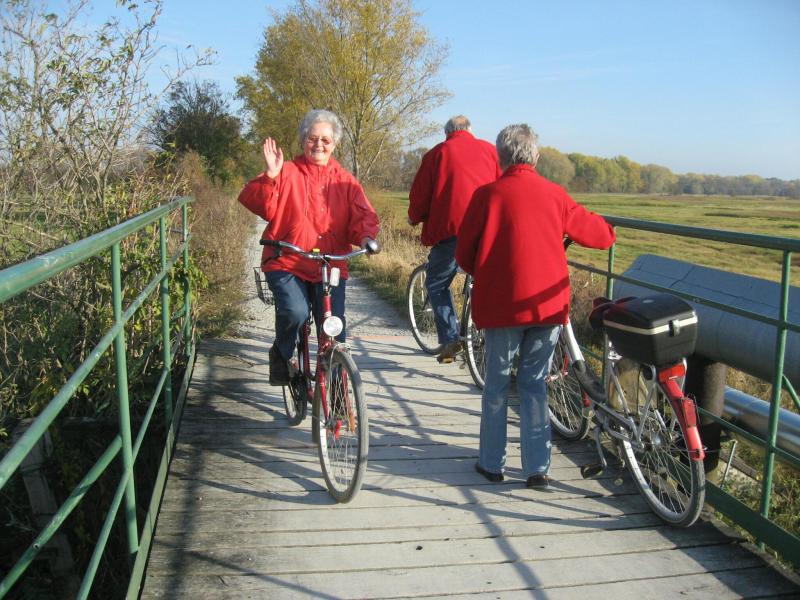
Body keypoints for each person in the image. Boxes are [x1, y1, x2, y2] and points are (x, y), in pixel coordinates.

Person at [455, 124, 615, 489]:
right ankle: (537, 469)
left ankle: (492, 463)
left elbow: (464, 255)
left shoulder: (486, 196)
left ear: (500, 157)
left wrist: (489, 269)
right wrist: (607, 227)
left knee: (496, 384)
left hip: (502, 307)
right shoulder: (555, 194)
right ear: (536, 156)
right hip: (546, 306)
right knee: (534, 384)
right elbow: (601, 236)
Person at [238, 109, 380, 385]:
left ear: (334, 144)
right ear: (303, 140)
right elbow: (259, 204)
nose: (319, 145)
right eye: (312, 138)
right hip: (287, 261)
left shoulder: (345, 181)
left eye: (325, 140)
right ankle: (281, 354)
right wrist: (270, 176)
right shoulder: (287, 172)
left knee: (334, 327)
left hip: (330, 264)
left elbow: (364, 216)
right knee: (296, 312)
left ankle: (337, 393)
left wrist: (366, 237)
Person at [407, 115, 502, 362]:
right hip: (489, 229)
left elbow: (420, 195)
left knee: (437, 283)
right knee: (488, 281)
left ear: (447, 132)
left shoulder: (436, 154)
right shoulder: (490, 151)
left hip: (453, 231)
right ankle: (491, 335)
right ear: (470, 130)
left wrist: (414, 217)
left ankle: (451, 339)